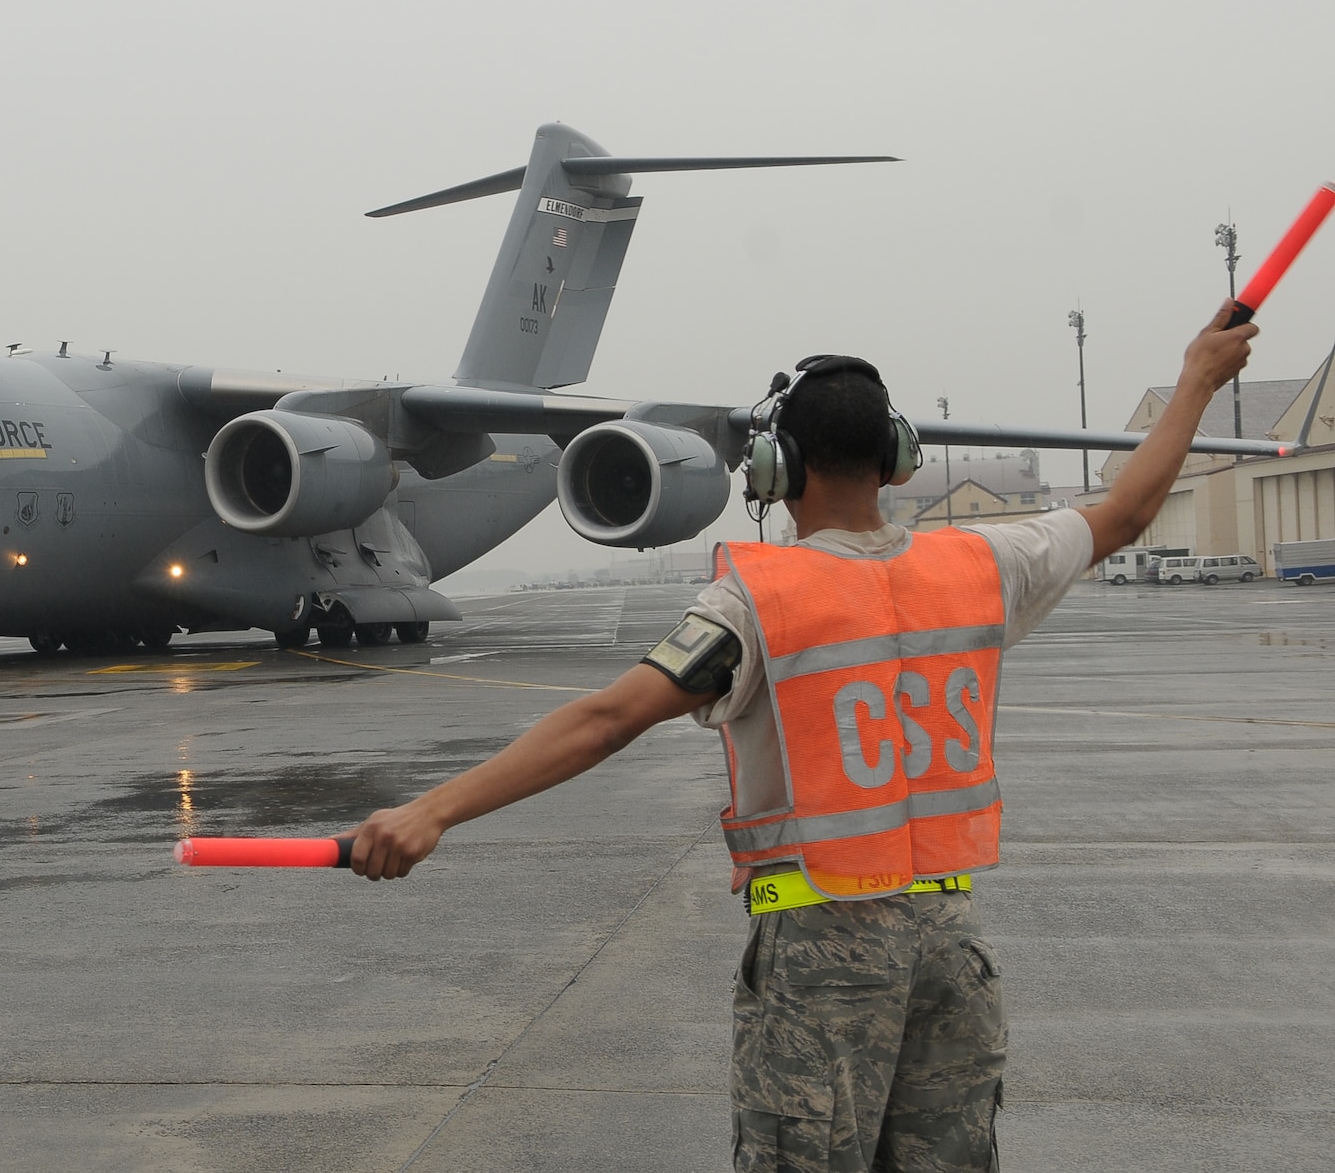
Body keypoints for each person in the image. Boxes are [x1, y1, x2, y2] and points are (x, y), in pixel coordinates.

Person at [341, 303, 1258, 1172]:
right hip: (952, 944)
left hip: (824, 950)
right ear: (898, 460)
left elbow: (609, 718)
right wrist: (1195, 380)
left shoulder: (758, 601)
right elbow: (1128, 510)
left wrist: (433, 810)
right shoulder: (982, 563)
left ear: (776, 468)